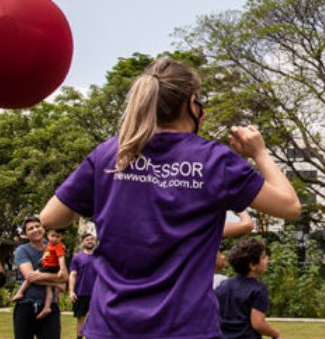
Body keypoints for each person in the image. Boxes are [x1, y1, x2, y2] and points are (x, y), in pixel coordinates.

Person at [39, 57, 301, 338]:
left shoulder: (111, 153)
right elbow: (290, 206)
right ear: (191, 103)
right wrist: (259, 153)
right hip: (184, 328)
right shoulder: (213, 160)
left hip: (111, 326)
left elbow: (51, 217)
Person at [216, 237, 281, 339]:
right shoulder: (259, 290)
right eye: (263, 257)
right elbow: (258, 323)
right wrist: (275, 333)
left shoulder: (223, 286)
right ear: (253, 265)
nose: (267, 258)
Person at [12, 216, 65, 339]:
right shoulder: (22, 250)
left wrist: (53, 279)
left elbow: (63, 279)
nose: (35, 230)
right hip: (26, 304)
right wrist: (55, 279)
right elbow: (30, 276)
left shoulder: (55, 247)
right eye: (31, 228)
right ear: (25, 234)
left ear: (43, 229)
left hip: (51, 307)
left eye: (38, 226)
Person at [68, 233, 97, 339]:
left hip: (97, 293)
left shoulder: (99, 257)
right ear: (82, 243)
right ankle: (79, 337)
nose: (90, 241)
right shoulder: (77, 258)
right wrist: (71, 291)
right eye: (87, 240)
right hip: (81, 292)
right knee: (81, 318)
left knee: (96, 318)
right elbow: (72, 275)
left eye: (91, 239)